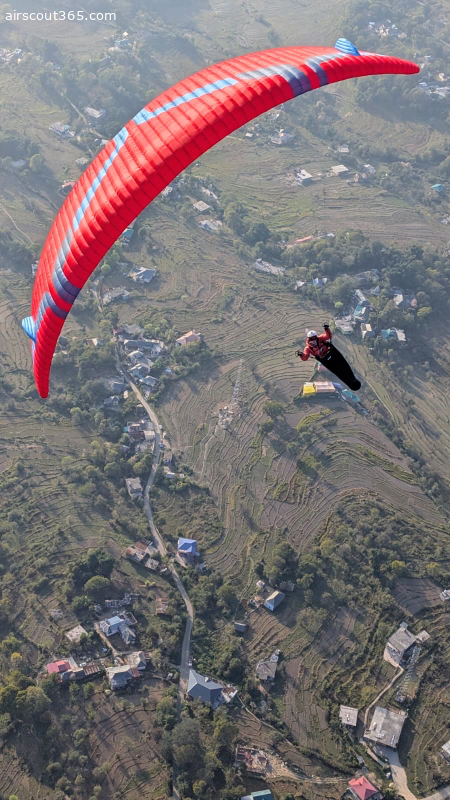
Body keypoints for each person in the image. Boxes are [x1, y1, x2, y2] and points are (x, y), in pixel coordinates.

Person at [296, 324, 361, 391]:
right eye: (312, 339)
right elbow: (305, 357)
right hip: (325, 360)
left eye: (315, 338)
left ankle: (354, 380)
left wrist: (326, 329)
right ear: (309, 339)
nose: (314, 340)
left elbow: (328, 336)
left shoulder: (320, 339)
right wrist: (301, 355)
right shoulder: (308, 348)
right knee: (338, 371)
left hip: (332, 353)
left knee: (344, 366)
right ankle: (351, 384)